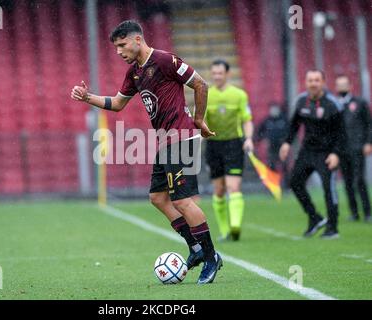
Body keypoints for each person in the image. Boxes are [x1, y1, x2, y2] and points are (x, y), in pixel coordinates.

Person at [71, 20, 222, 284]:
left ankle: (211, 258)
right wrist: (88, 98)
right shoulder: (135, 73)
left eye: (122, 44)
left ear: (137, 40)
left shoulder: (165, 60)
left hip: (182, 137)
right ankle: (196, 248)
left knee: (183, 202)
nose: (119, 51)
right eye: (116, 47)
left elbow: (201, 84)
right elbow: (118, 104)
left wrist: (199, 119)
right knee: (157, 198)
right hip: (165, 141)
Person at [279, 70, 345, 239]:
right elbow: (294, 125)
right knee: (295, 183)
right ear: (306, 82)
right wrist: (287, 143)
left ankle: (333, 227)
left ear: (323, 82)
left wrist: (336, 153)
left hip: (327, 153)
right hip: (307, 151)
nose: (313, 83)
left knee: (328, 188)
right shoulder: (301, 101)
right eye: (310, 80)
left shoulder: (332, 104)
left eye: (317, 80)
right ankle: (314, 217)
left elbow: (342, 133)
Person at [204, 59, 254, 241]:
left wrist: (248, 139)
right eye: (214, 73)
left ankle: (235, 227)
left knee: (233, 187)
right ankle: (225, 231)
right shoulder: (206, 95)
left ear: (228, 74)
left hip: (234, 144)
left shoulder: (239, 95)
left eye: (220, 73)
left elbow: (247, 119)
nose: (217, 76)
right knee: (218, 190)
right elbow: (200, 120)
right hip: (213, 145)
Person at [335, 75, 372, 222]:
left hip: (357, 147)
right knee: (347, 182)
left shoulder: (360, 103)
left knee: (359, 180)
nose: (342, 88)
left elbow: (369, 124)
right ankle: (354, 212)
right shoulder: (334, 105)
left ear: (350, 86)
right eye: (339, 85)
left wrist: (368, 142)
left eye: (344, 84)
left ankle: (368, 212)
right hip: (341, 149)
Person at [255, 102, 289, 171]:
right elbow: (260, 131)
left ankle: (286, 180)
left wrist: (287, 141)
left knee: (284, 164)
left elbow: (290, 131)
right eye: (272, 109)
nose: (274, 111)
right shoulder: (267, 120)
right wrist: (258, 140)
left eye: (275, 109)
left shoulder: (283, 120)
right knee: (271, 163)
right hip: (271, 145)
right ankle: (273, 179)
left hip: (281, 145)